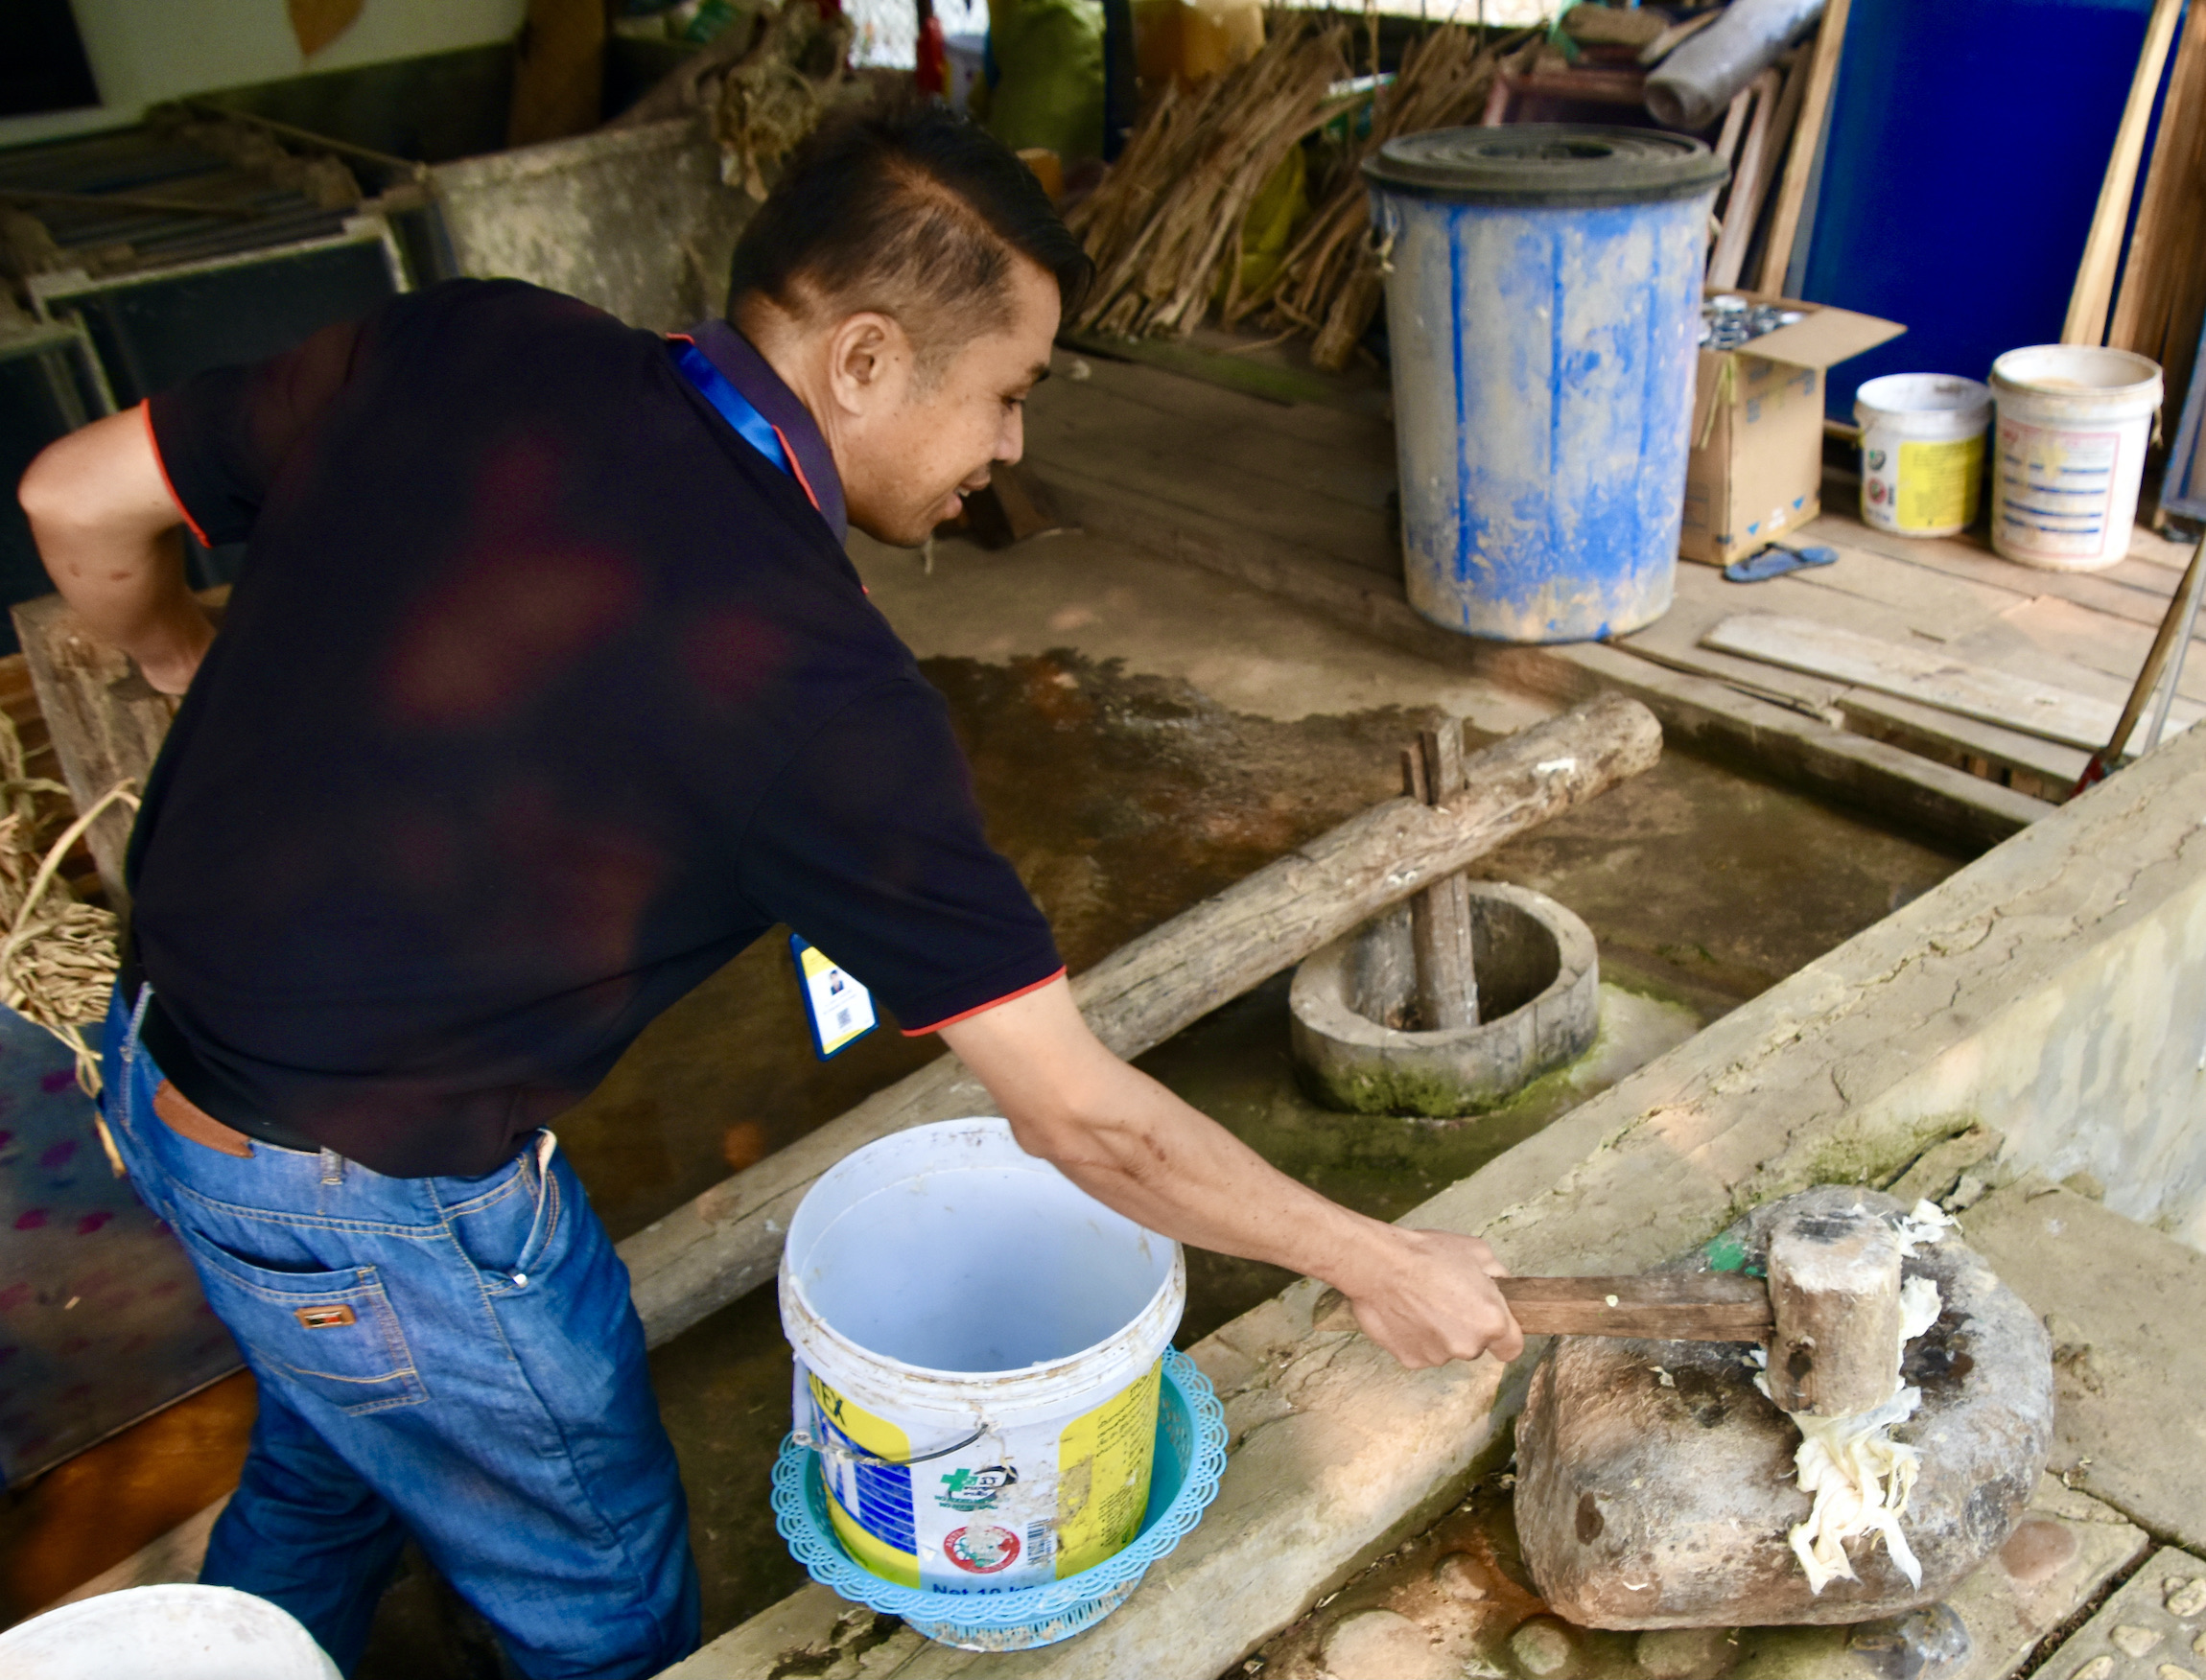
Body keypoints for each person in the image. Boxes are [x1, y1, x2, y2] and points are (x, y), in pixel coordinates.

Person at [16, 100, 1520, 1680]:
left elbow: (70, 501)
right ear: (863, 361)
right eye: (1008, 394)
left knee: (341, 1453)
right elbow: (1083, 1118)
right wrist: (1377, 1258)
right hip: (369, 1195)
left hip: (161, 1064)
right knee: (599, 1596)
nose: (1012, 447)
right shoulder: (815, 695)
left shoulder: (471, 336)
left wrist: (182, 652)